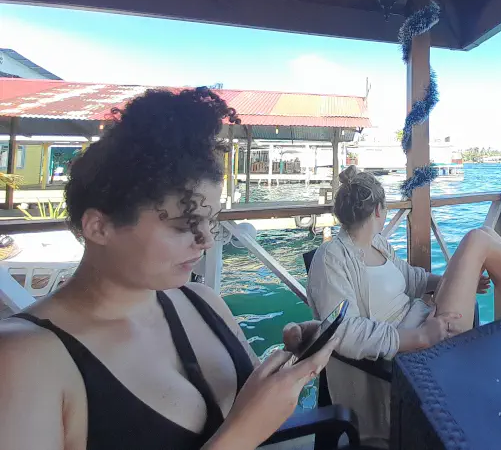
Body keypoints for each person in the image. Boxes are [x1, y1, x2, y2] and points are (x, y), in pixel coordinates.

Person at [0, 87, 340, 450]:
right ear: (99, 227)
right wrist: (240, 435)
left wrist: (290, 365)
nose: (206, 240)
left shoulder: (201, 302)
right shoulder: (24, 360)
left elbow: (255, 404)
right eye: (182, 225)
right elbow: (246, 425)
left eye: (212, 221)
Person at [306, 167, 501, 447]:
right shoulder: (331, 258)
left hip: (427, 322)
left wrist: (458, 278)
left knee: (486, 235)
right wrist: (420, 337)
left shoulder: (378, 245)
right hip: (413, 354)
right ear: (378, 210)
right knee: (478, 240)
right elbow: (345, 331)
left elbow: (411, 279)